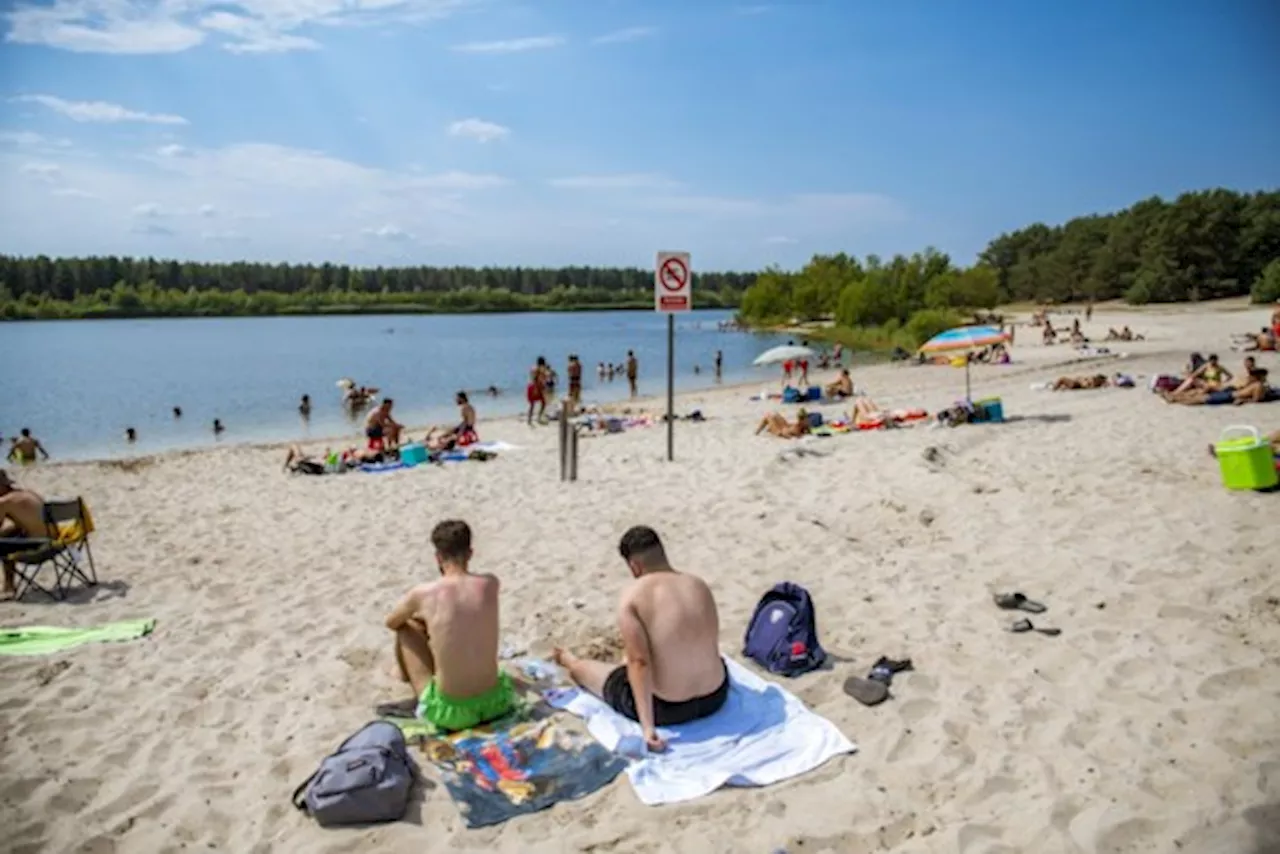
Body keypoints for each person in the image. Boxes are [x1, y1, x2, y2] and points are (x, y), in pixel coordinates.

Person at [552, 526, 727, 751]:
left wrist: (647, 728)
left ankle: (569, 660)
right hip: (715, 696)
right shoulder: (698, 585)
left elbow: (640, 663)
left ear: (634, 566)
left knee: (585, 671)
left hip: (668, 708)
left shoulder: (633, 596)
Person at [384, 520, 517, 733]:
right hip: (497, 703)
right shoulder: (491, 583)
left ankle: (403, 675)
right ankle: (405, 673)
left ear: (438, 557)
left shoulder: (424, 593)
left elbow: (391, 622)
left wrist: (422, 620)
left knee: (406, 627)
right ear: (470, 553)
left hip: (453, 715)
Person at [0, 470, 45, 600]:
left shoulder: (4, 501)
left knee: (3, 545)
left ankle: (9, 587)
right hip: (55, 541)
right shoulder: (27, 494)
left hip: (39, 546)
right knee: (6, 536)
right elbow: (30, 522)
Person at [526, 356, 549, 426]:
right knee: (543, 403)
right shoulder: (539, 369)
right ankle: (538, 417)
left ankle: (530, 419)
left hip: (530, 386)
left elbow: (532, 377)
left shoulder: (533, 368)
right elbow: (537, 379)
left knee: (532, 404)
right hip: (536, 387)